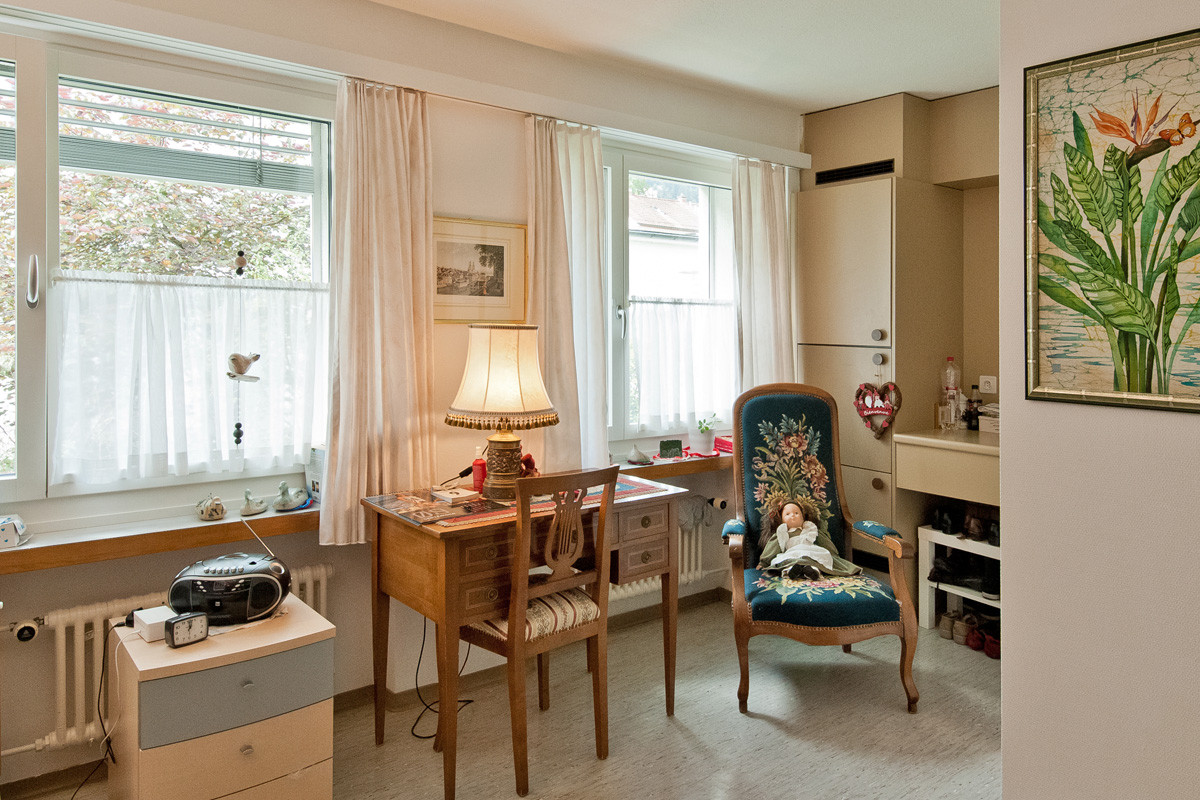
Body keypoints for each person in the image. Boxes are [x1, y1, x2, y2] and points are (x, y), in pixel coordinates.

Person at [757, 498, 862, 580]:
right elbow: (773, 547)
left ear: (803, 517)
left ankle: (812, 571)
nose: (793, 516)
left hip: (810, 551)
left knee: (814, 559)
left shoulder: (810, 529)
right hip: (792, 552)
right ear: (781, 520)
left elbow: (824, 542)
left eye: (796, 513)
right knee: (788, 560)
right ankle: (791, 571)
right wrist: (764, 562)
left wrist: (833, 554)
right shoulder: (783, 532)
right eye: (787, 514)